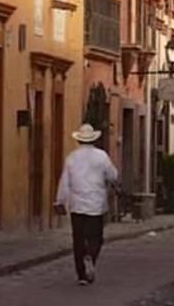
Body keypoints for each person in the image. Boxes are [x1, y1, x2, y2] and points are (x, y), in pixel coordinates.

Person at [54, 122, 118, 286]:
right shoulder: (101, 156)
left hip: (77, 204)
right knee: (96, 237)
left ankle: (82, 274)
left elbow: (65, 182)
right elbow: (113, 175)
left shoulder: (71, 158)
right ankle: (91, 255)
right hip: (96, 204)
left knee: (78, 239)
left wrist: (60, 201)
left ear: (79, 140)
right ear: (93, 140)